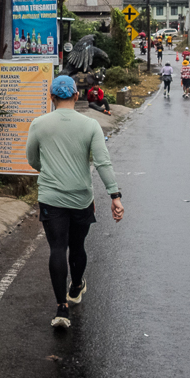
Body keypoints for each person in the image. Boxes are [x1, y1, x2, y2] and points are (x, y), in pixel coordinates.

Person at [25, 75, 123, 329]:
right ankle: (76, 286)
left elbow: (32, 159)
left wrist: (48, 169)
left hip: (51, 197)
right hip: (81, 198)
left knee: (58, 248)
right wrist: (115, 195)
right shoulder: (90, 125)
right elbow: (102, 162)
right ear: (77, 96)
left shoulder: (39, 123)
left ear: (51, 98)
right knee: (77, 245)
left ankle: (61, 309)